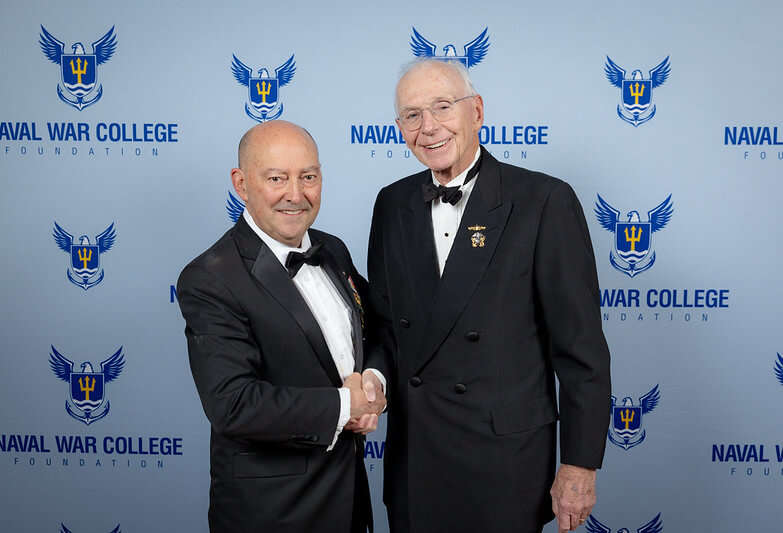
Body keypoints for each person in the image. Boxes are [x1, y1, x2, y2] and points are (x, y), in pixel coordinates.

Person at [364, 59, 612, 533]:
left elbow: (581, 352)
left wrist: (579, 466)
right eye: (412, 115)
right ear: (399, 128)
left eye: (442, 107)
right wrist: (374, 377)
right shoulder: (391, 203)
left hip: (505, 464)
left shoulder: (544, 201)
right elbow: (383, 324)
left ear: (476, 111)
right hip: (416, 459)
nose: (429, 127)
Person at [177, 120, 383, 533]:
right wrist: (346, 406)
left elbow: (375, 330)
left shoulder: (333, 249)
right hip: (271, 513)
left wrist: (374, 382)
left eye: (308, 176)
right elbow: (233, 405)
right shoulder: (209, 278)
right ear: (242, 183)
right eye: (277, 178)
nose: (296, 194)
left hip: (349, 501)